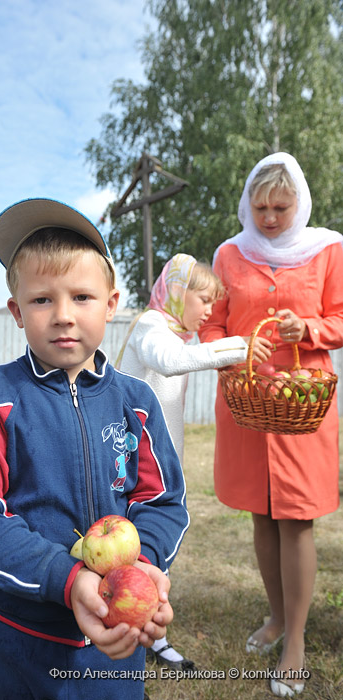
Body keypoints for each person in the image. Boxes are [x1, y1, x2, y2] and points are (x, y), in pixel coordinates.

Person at [0, 197, 189, 700]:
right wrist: (66, 577)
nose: (62, 316)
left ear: (112, 304)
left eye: (81, 297)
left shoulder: (136, 403)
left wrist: (145, 569)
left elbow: (161, 502)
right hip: (15, 639)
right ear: (16, 310)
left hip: (112, 643)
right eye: (41, 300)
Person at [198, 152, 343, 697]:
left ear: (300, 203)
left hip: (303, 406)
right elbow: (209, 326)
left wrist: (304, 328)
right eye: (260, 206)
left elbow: (341, 317)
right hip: (246, 402)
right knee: (261, 513)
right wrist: (238, 348)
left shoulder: (329, 250)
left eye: (281, 207)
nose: (270, 217)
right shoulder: (228, 255)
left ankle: (297, 640)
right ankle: (277, 616)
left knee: (297, 517)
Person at [116, 253, 249, 670]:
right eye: (204, 299)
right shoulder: (151, 327)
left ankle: (150, 633)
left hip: (160, 465)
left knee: (157, 549)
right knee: (127, 547)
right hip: (134, 466)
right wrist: (238, 348)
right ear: (178, 292)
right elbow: (169, 362)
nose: (210, 311)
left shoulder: (177, 334)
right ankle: (117, 630)